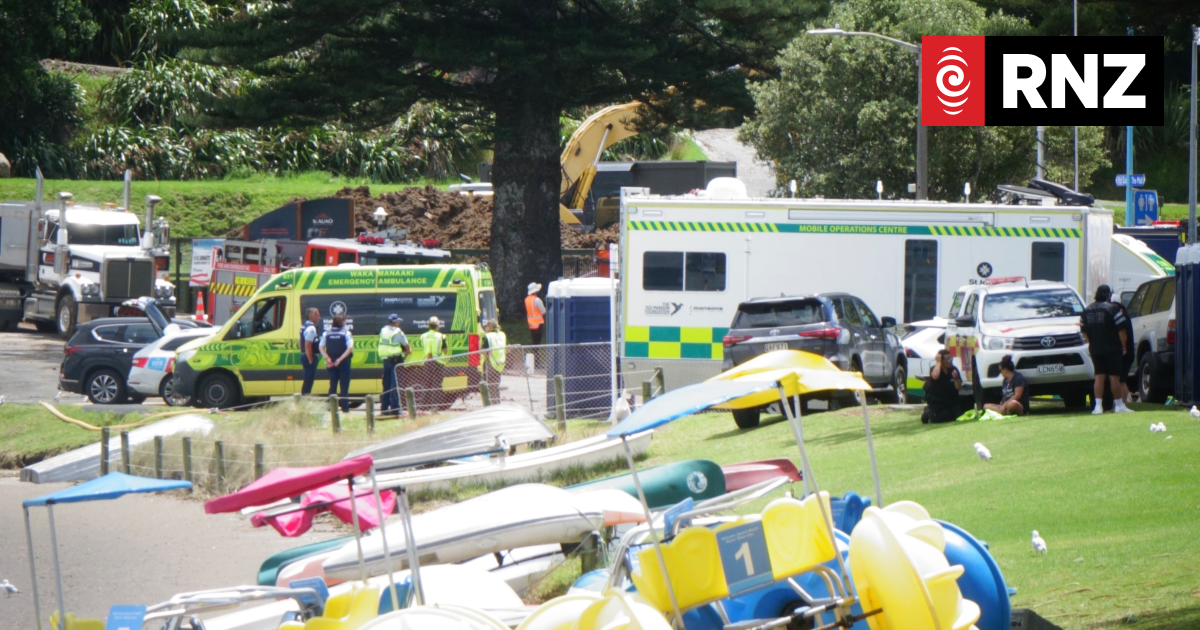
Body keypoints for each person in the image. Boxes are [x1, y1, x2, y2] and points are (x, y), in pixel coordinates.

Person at [1080, 284, 1133, 414]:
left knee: (1099, 377)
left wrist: (1091, 341)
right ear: (1108, 295)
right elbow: (1121, 330)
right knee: (1114, 378)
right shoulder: (1112, 310)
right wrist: (1124, 346)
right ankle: (1119, 405)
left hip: (1095, 349)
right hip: (1112, 349)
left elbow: (1083, 330)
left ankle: (1098, 407)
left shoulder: (1087, 310)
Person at [378, 313, 410, 415]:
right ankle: (395, 408)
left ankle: (384, 408)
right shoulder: (397, 332)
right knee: (395, 385)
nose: (399, 323)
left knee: (386, 385)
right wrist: (406, 353)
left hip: (385, 361)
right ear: (395, 322)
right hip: (396, 361)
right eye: (398, 321)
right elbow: (407, 347)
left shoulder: (383, 330)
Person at [320, 314, 353, 413]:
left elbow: (321, 347)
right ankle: (345, 408)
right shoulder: (346, 333)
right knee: (344, 385)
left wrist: (328, 358)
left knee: (333, 384)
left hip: (331, 361)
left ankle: (332, 407)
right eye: (345, 321)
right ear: (342, 322)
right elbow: (350, 348)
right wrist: (340, 359)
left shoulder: (326, 333)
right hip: (343, 361)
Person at [921, 349, 962, 424]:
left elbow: (958, 387)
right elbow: (935, 376)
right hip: (938, 401)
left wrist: (955, 378)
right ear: (941, 360)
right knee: (941, 418)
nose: (950, 361)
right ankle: (928, 412)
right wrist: (938, 362)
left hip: (950, 400)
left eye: (951, 359)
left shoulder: (953, 369)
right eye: (947, 360)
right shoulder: (935, 369)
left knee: (956, 417)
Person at [418, 316, 449, 408]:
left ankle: (423, 406)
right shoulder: (441, 336)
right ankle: (435, 406)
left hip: (427, 362)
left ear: (429, 326)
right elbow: (446, 350)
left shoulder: (423, 336)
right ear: (437, 326)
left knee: (427, 384)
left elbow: (422, 346)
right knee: (436, 385)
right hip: (438, 362)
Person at [481, 319, 506, 402]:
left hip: (490, 363)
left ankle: (492, 403)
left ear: (490, 327)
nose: (485, 328)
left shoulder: (487, 336)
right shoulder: (502, 335)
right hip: (500, 363)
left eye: (486, 326)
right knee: (495, 384)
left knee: (490, 385)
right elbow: (508, 348)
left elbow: (485, 351)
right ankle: (496, 401)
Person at [299, 308, 322, 395]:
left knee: (307, 379)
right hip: (309, 356)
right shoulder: (311, 328)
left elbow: (300, 341)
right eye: (317, 315)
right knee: (309, 380)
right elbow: (308, 345)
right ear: (311, 316)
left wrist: (303, 352)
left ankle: (304, 397)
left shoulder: (304, 326)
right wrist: (311, 359)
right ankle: (305, 399)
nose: (319, 317)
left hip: (304, 355)